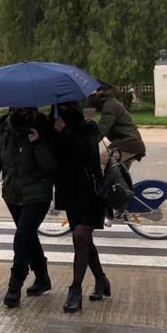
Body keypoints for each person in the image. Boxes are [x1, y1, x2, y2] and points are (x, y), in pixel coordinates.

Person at [0, 107, 58, 308]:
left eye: (22, 107)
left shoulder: (44, 128)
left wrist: (38, 143)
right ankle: (42, 279)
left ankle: (14, 287)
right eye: (15, 106)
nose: (18, 110)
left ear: (32, 108)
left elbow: (51, 166)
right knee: (28, 236)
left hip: (38, 194)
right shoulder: (4, 130)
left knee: (22, 235)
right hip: (12, 194)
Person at [51, 101, 108, 312]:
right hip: (70, 194)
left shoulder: (89, 128)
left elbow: (85, 151)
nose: (63, 111)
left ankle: (75, 289)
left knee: (80, 237)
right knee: (85, 241)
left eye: (67, 107)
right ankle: (101, 280)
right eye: (60, 107)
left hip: (91, 193)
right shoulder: (55, 129)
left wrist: (64, 131)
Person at [88, 82, 146, 171]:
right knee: (119, 176)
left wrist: (88, 143)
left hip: (128, 144)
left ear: (101, 92)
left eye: (92, 92)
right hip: (129, 143)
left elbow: (103, 128)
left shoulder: (109, 105)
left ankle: (109, 184)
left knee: (100, 162)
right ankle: (118, 184)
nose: (90, 95)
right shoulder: (109, 103)